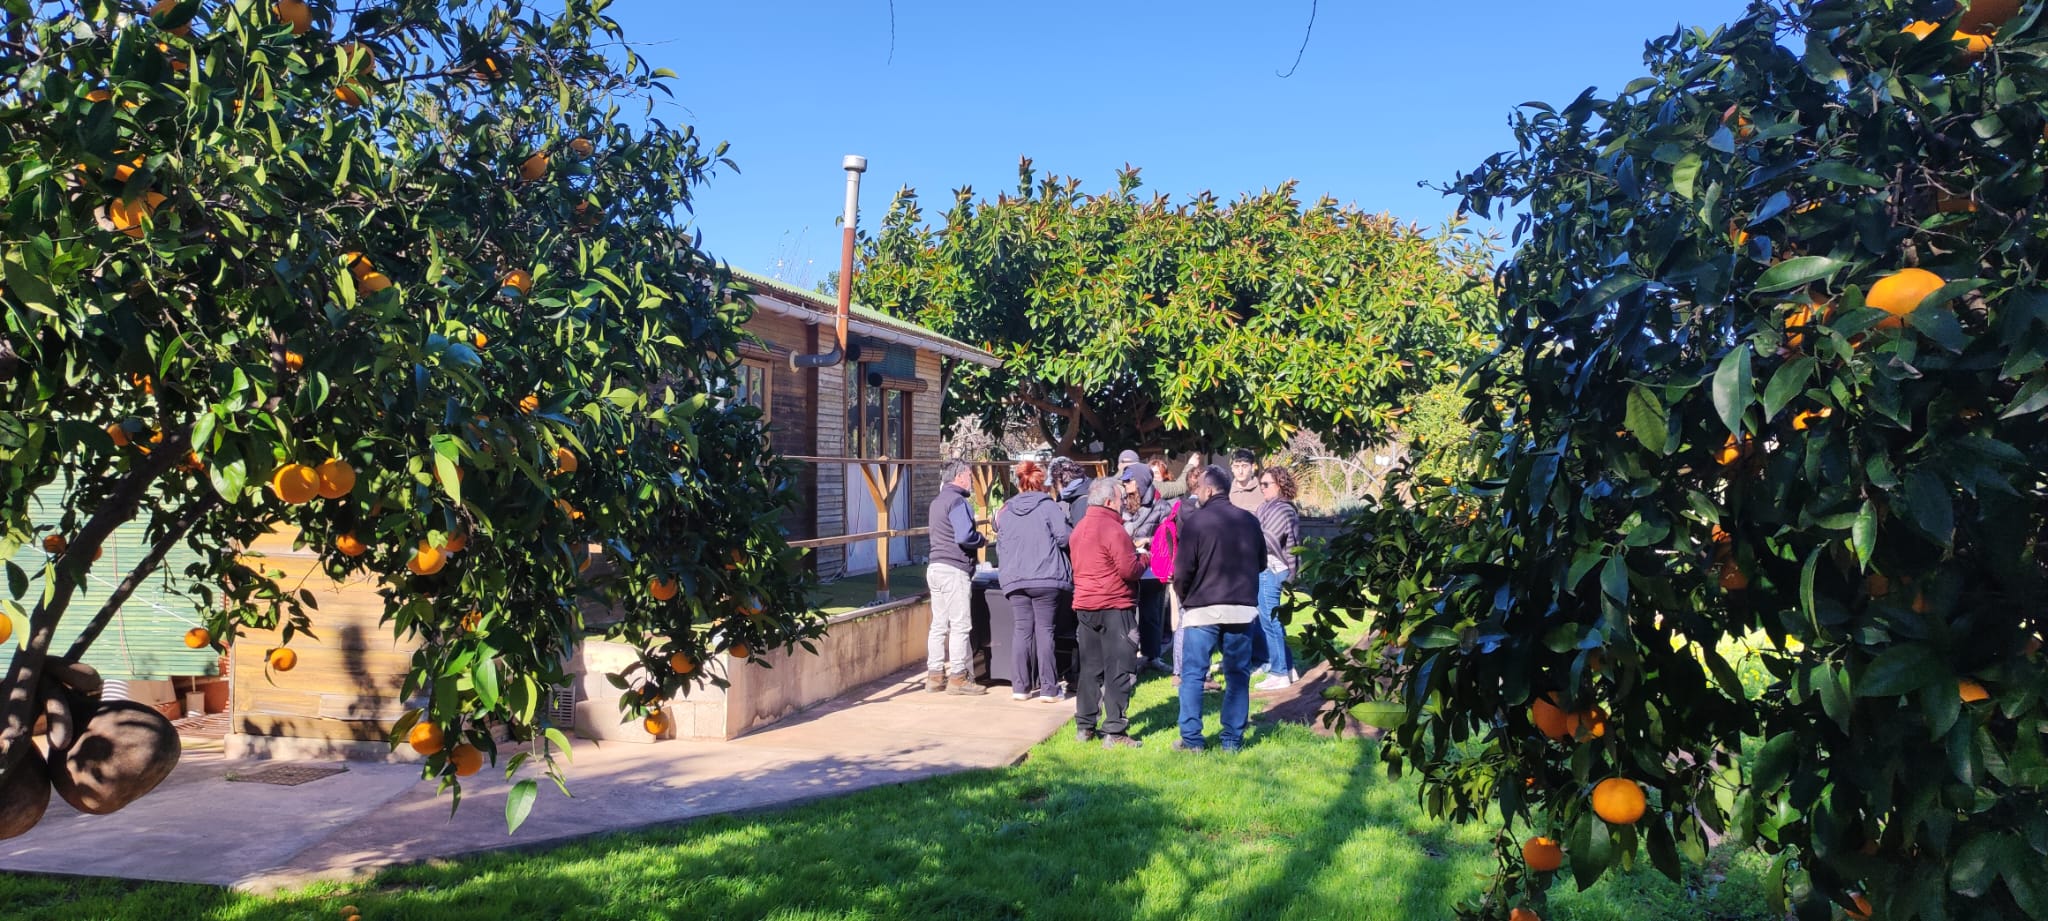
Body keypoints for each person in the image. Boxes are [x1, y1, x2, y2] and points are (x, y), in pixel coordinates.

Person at [1172, 465, 1265, 752]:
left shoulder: (1196, 522)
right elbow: (1261, 563)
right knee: (1238, 675)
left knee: (1193, 676)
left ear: (1209, 489)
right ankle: (1232, 740)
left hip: (1202, 609)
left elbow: (1182, 570)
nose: (1197, 492)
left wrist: (1185, 597)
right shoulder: (1249, 521)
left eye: (1199, 487)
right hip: (1241, 608)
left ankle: (1192, 739)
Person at [1071, 478, 1146, 748]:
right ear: (1108, 502)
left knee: (1090, 668)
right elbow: (1129, 570)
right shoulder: (1113, 529)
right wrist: (1144, 557)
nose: (1124, 504)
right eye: (1121, 499)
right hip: (1115, 605)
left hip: (1085, 605)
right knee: (1119, 668)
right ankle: (1114, 731)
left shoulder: (1079, 528)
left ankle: (1085, 726)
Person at [995, 460, 1071, 703]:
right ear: (1042, 482)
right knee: (1045, 631)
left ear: (1019, 482)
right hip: (1046, 577)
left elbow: (1000, 541)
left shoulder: (1005, 510)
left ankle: (1020, 687)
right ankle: (1049, 689)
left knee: (1022, 630)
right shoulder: (1049, 506)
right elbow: (1063, 538)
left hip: (1015, 578)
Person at [925, 459, 988, 695]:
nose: (971, 481)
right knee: (961, 625)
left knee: (939, 624)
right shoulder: (957, 501)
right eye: (970, 476)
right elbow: (964, 536)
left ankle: (934, 676)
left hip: (935, 567)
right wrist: (981, 540)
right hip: (954, 569)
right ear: (960, 477)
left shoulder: (937, 501)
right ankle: (958, 677)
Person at [1252, 466, 1303, 690]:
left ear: (1280, 485)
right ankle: (1288, 667)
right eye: (1261, 484)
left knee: (1270, 621)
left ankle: (1279, 672)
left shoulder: (1282, 509)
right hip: (1266, 568)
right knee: (1272, 620)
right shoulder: (1266, 507)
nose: (1262, 488)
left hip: (1271, 568)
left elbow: (1267, 539)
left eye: (1266, 484)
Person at [1118, 463, 1169, 672]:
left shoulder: (1160, 505)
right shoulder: (1122, 502)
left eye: (1130, 480)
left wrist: (1148, 540)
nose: (1126, 484)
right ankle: (1129, 656)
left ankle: (1152, 656)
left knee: (1151, 614)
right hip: (1129, 566)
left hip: (1152, 569)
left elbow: (1168, 537)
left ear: (1141, 481)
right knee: (1127, 615)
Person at [1049, 456, 1092, 528]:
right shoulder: (1088, 488)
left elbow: (1080, 534)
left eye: (1055, 484)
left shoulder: (1081, 502)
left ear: (1060, 480)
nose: (1055, 489)